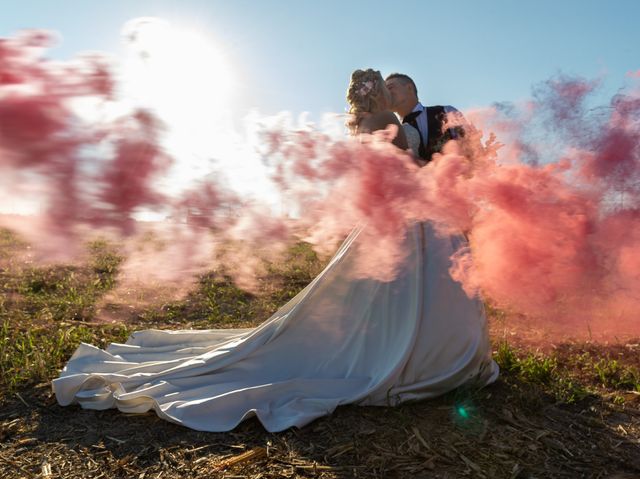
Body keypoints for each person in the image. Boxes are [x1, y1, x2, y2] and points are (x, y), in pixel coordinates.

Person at [52, 69, 498, 433]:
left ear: (409, 90)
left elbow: (450, 157)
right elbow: (394, 169)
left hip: (421, 215)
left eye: (399, 84)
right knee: (406, 292)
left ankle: (428, 349)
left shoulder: (421, 117)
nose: (394, 89)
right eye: (389, 85)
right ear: (380, 93)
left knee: (417, 291)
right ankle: (423, 357)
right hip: (408, 218)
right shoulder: (385, 123)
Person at [385, 72, 464, 165]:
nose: (386, 94)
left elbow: (470, 146)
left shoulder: (446, 111)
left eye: (390, 88)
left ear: (409, 88)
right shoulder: (389, 133)